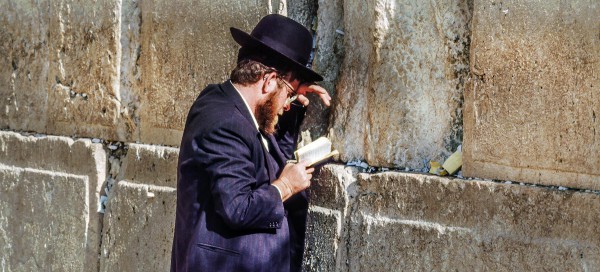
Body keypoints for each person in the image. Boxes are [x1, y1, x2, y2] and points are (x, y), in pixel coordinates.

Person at [170, 14, 332, 272]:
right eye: (288, 94)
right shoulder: (225, 122)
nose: (287, 103)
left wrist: (290, 101)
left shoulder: (228, 106)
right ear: (268, 81)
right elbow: (237, 208)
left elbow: (268, 158)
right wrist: (286, 185)